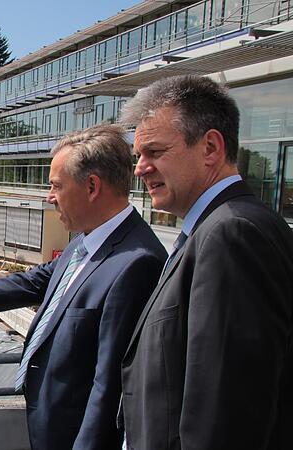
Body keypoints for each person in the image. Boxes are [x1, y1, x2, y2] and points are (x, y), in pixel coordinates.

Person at [0, 124, 167, 450]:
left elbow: (110, 388)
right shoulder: (88, 238)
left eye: (56, 186)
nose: (49, 197)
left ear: (92, 186)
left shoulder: (136, 263)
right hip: (49, 427)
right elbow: (32, 282)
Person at [119, 75, 293, 449]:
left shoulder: (232, 235)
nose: (140, 168)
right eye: (138, 156)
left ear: (210, 147)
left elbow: (224, 416)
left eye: (155, 152)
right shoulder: (214, 230)